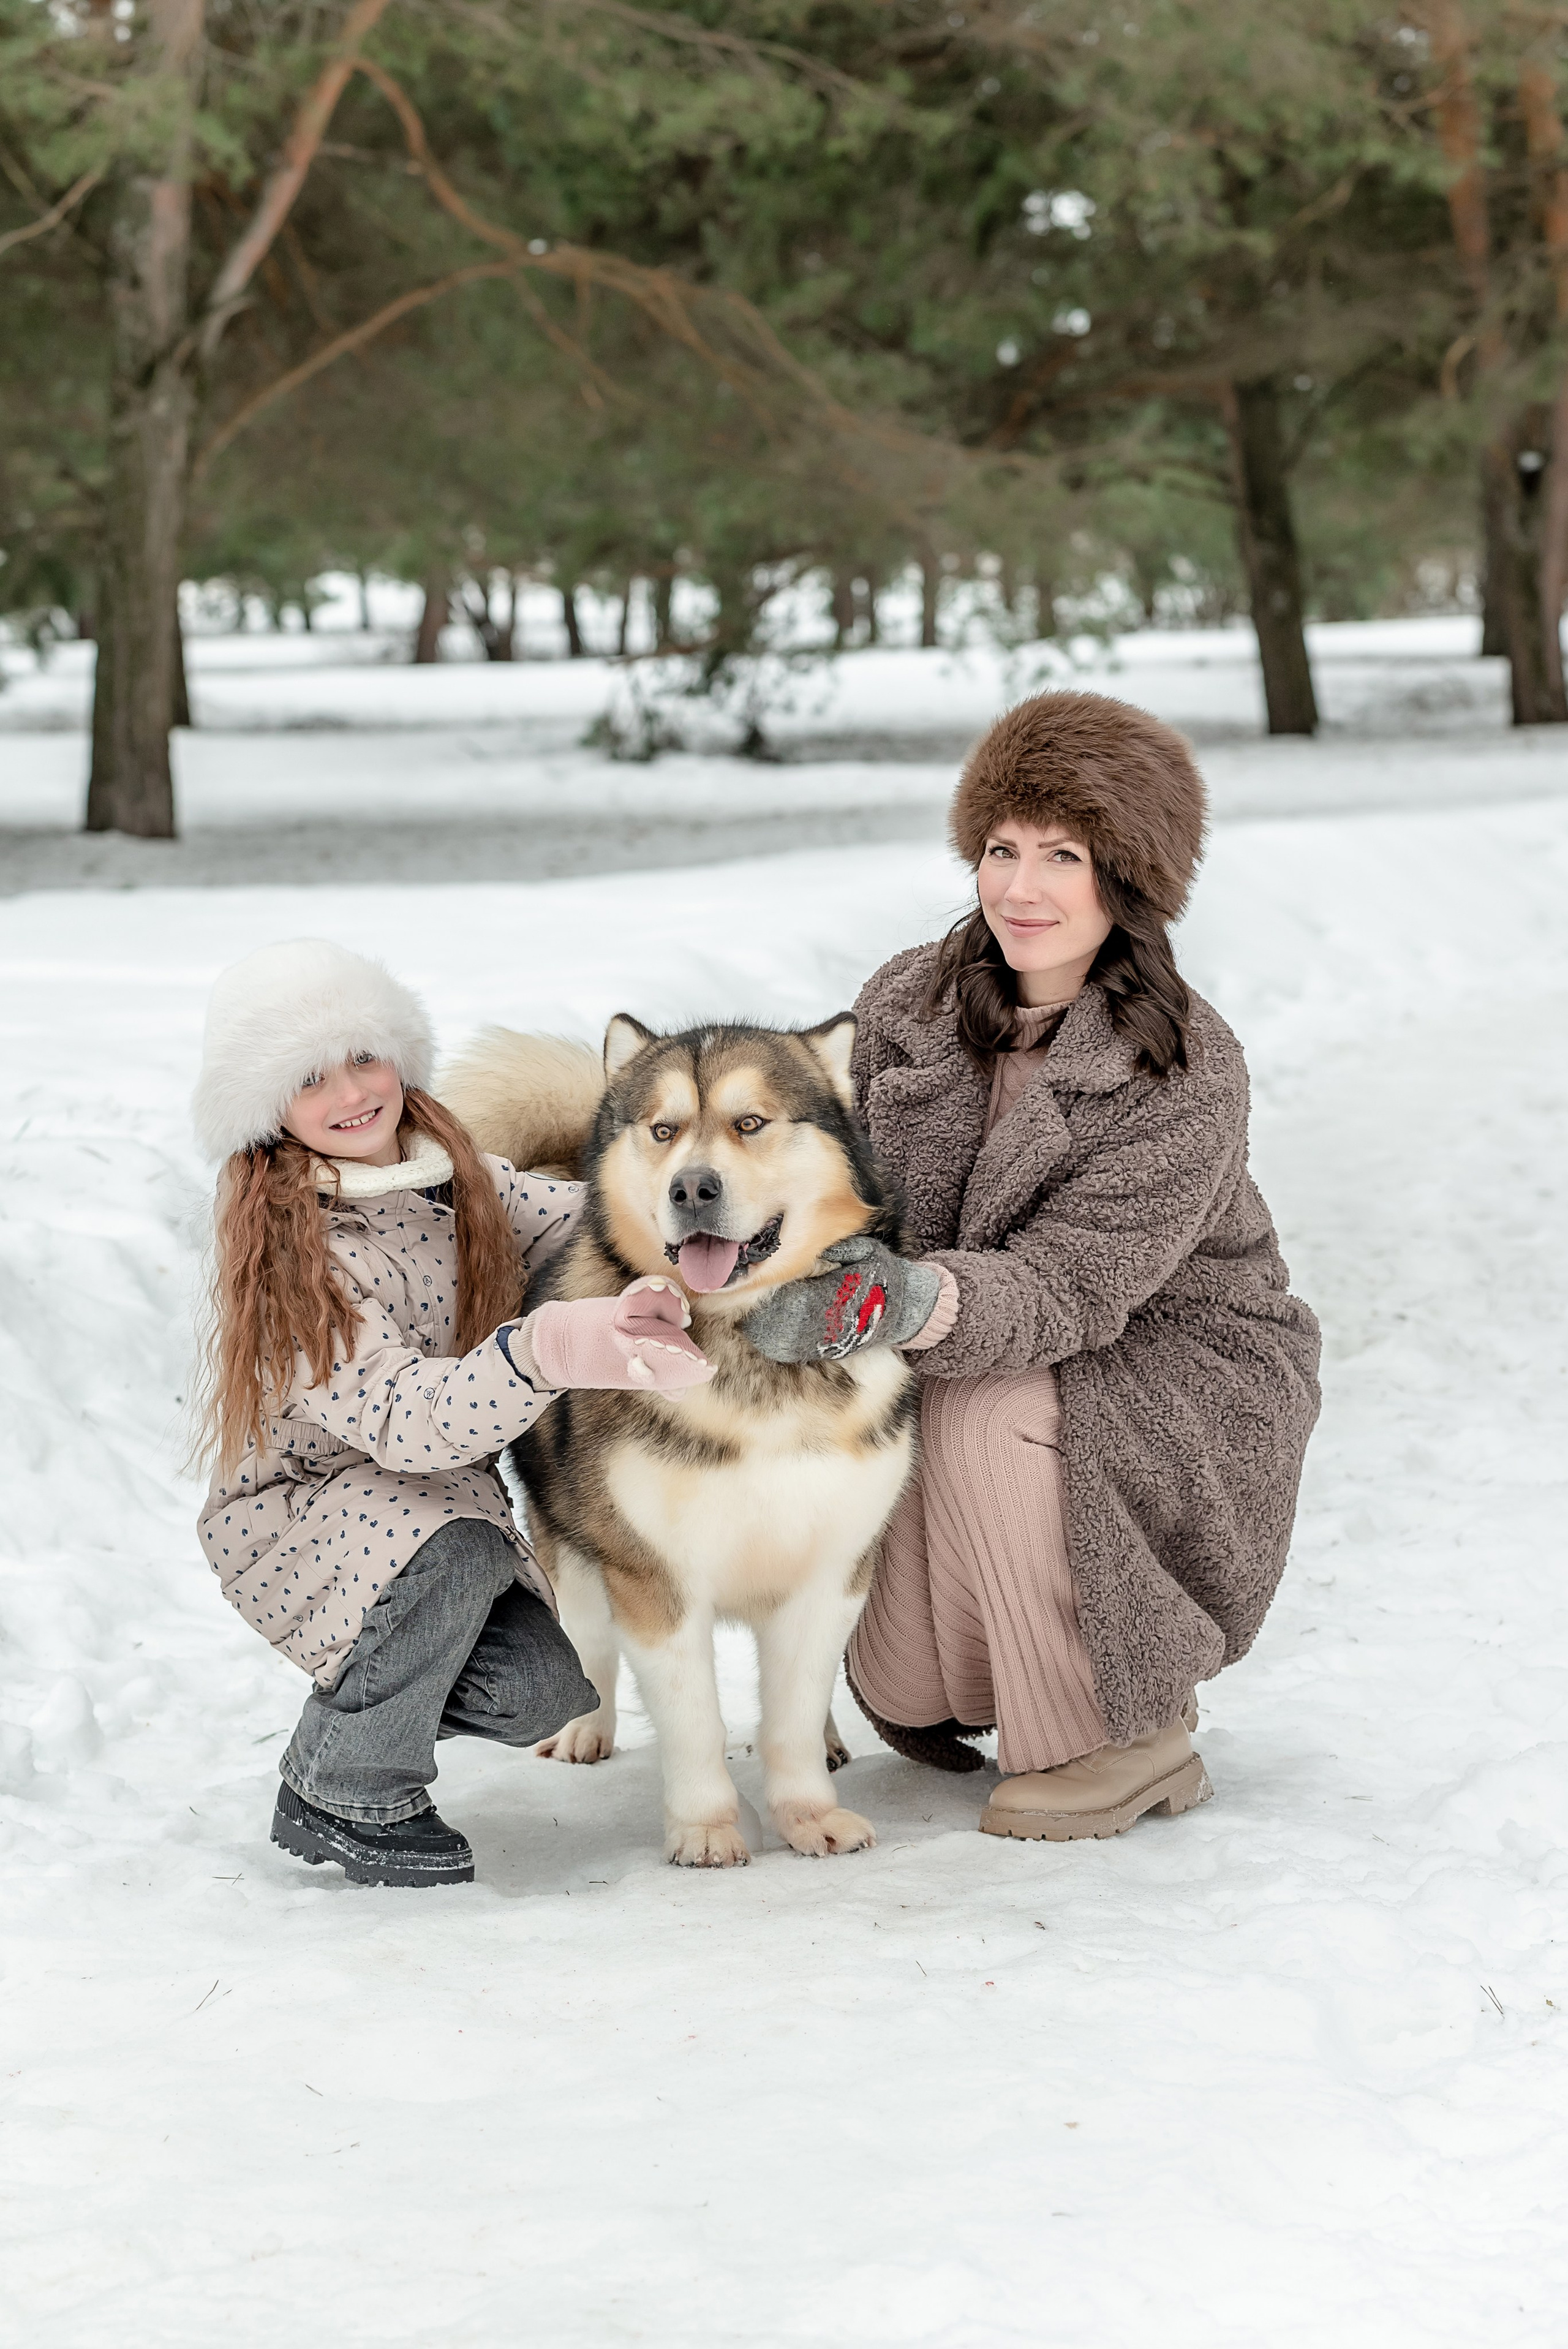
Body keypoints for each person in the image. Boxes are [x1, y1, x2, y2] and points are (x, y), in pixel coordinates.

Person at [743, 693, 1321, 1841]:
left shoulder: (1186, 1065)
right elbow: (819, 1154)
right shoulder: (909, 998)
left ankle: (1127, 1732)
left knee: (981, 1401)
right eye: (1000, 850)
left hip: (1173, 1351)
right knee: (913, 1689)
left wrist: (905, 1299)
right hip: (956, 1326)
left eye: (1064, 856)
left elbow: (1073, 1288)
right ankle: (979, 1679)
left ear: (1130, 877)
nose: (1021, 889)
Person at [192, 938, 711, 1887]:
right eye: (309, 1078)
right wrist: (549, 1346)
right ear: (270, 1111)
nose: (351, 1091)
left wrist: (689, 1224)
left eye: (362, 1055)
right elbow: (404, 1419)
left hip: (429, 1512)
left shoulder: (451, 1179)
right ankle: (347, 1787)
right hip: (303, 1513)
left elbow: (577, 1216)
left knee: (544, 1696)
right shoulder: (297, 1256)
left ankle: (364, 1715)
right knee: (456, 1552)